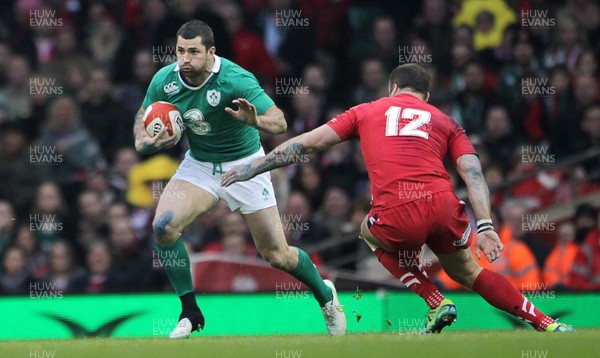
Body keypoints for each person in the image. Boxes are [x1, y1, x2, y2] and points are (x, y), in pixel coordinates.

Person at [222, 63, 574, 333]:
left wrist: (254, 167)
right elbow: (473, 173)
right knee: (469, 270)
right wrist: (485, 225)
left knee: (367, 230)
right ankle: (547, 324)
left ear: (392, 88)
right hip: (443, 204)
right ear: (426, 97)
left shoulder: (366, 111)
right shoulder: (447, 121)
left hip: (398, 210)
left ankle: (435, 301)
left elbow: (307, 144)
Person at [132, 20, 345, 339]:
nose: (185, 59)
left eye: (193, 52)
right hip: (200, 166)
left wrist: (254, 120)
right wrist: (147, 141)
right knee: (163, 227)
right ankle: (190, 311)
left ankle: (325, 295)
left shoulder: (235, 78)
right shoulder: (166, 80)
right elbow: (142, 119)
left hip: (246, 166)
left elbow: (280, 122)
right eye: (180, 51)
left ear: (211, 53)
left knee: (277, 255)